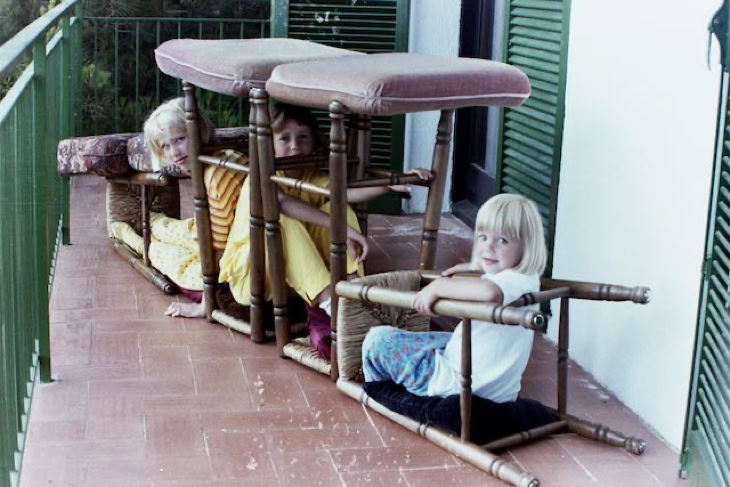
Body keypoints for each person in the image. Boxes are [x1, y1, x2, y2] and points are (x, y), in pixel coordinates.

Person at [361, 193, 547, 403]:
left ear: (526, 246)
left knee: (377, 340)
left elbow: (490, 292)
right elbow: (495, 282)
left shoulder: (509, 281)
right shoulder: (527, 278)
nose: (488, 247)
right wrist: (474, 267)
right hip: (495, 389)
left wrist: (439, 287)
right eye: (483, 237)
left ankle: (385, 393)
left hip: (456, 386)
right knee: (445, 338)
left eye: (502, 240)